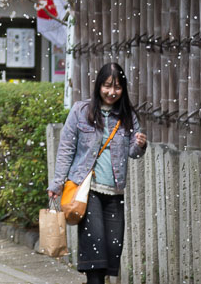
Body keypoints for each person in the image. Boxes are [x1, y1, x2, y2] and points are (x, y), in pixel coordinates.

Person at [47, 62, 148, 284]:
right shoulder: (81, 111)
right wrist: (57, 183)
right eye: (107, 86)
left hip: (115, 192)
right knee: (95, 252)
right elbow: (66, 149)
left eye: (118, 87)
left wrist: (140, 145)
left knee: (112, 249)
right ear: (98, 86)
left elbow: (133, 153)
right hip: (87, 190)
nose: (112, 92)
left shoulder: (128, 115)